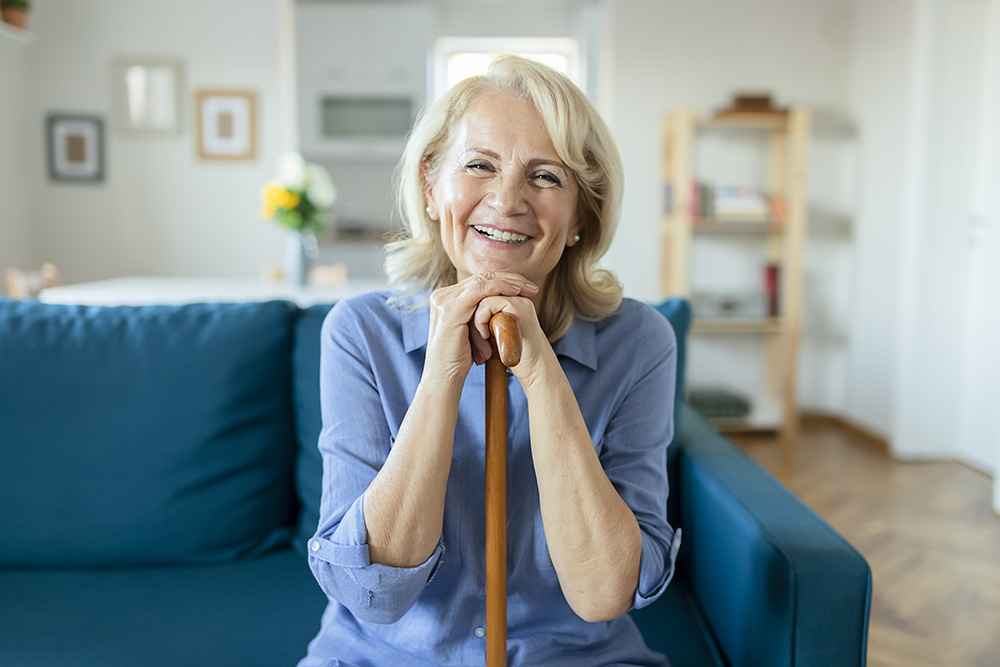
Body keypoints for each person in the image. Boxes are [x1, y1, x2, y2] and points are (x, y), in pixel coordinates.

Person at [298, 55, 681, 667]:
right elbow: (376, 595)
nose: (506, 201)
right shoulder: (360, 332)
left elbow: (604, 592)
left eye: (546, 177)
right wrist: (443, 374)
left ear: (582, 214)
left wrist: (542, 374)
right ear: (430, 186)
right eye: (479, 165)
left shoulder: (640, 341)